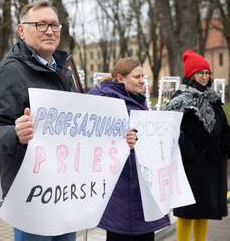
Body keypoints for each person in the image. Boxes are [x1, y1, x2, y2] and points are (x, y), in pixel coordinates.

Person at [0, 0, 76, 241]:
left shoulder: (63, 72)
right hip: (30, 197)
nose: (49, 30)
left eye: (54, 24)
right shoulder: (7, 73)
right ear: (21, 31)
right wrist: (15, 133)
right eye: (40, 24)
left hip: (65, 192)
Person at [88, 58, 170, 241]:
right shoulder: (107, 103)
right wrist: (122, 138)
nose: (142, 80)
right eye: (137, 76)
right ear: (119, 78)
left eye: (143, 76)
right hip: (121, 188)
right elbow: (96, 139)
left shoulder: (139, 102)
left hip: (141, 186)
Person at [165, 50, 230, 241]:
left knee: (205, 210)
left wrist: (226, 147)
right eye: (200, 73)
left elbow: (222, 126)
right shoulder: (181, 99)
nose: (204, 76)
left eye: (207, 73)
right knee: (187, 212)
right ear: (191, 75)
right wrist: (191, 152)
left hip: (212, 163)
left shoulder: (213, 98)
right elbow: (173, 130)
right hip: (191, 165)